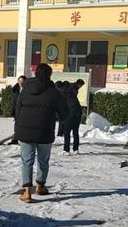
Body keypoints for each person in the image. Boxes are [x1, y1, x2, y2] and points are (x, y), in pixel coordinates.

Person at [15, 64, 68, 202]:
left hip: (25, 130)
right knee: (43, 160)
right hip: (45, 131)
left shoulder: (25, 90)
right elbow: (64, 113)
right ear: (50, 75)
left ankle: (27, 192)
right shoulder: (54, 92)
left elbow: (18, 109)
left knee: (27, 161)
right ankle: (40, 186)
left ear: (35, 73)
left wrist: (18, 128)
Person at [63, 79, 85, 155]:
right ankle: (76, 149)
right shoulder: (73, 90)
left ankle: (66, 150)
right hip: (78, 111)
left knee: (67, 131)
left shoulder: (64, 93)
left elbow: (63, 106)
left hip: (71, 112)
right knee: (75, 131)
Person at [9, 75, 27, 145]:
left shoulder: (28, 90)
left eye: (22, 81)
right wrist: (12, 111)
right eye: (19, 81)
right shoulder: (16, 89)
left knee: (25, 126)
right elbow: (14, 102)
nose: (20, 83)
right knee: (17, 125)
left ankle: (24, 139)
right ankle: (15, 139)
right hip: (17, 111)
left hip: (25, 111)